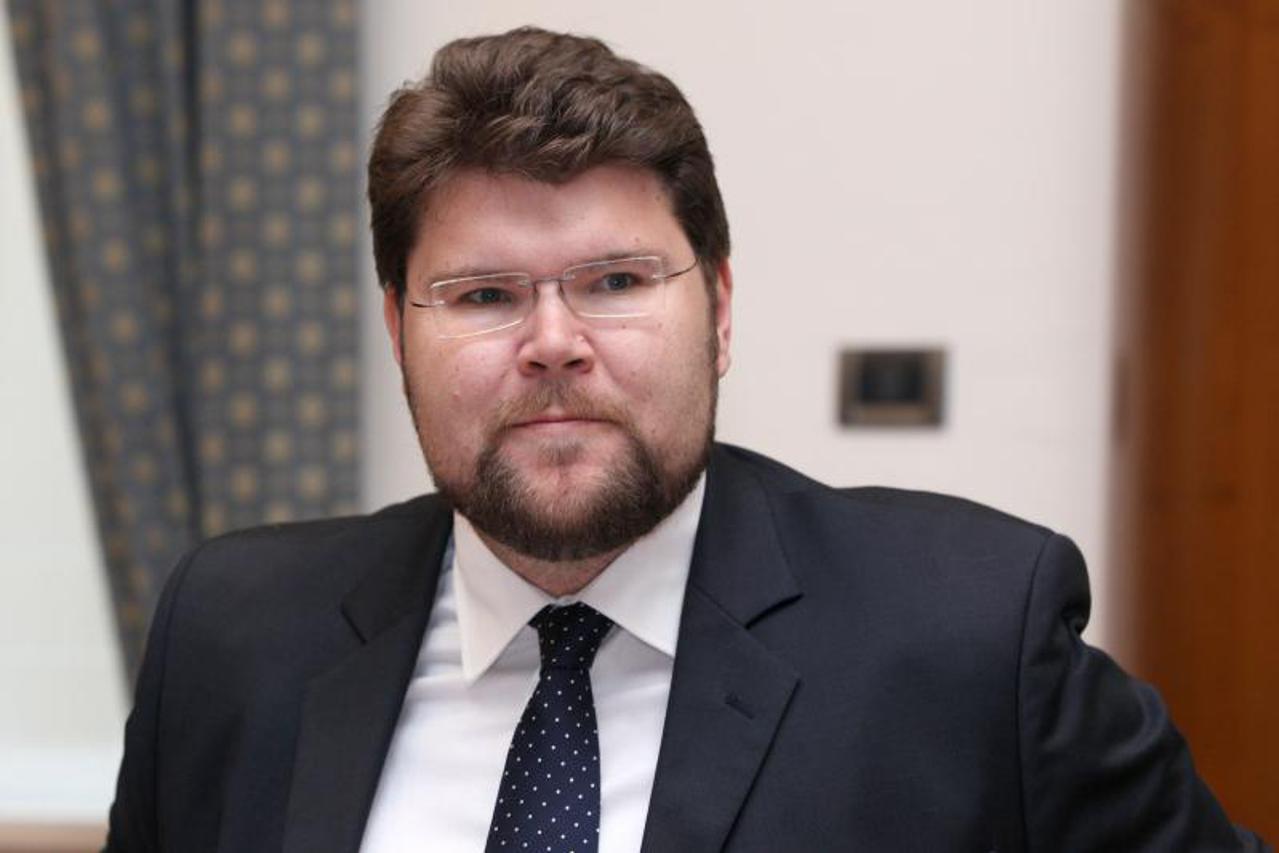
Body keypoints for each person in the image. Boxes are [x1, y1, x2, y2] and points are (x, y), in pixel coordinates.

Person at [105, 26, 1267, 853]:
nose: (552, 343)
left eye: (614, 280)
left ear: (717, 309)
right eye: (482, 295)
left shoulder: (970, 636)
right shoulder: (232, 634)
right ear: (395, 331)